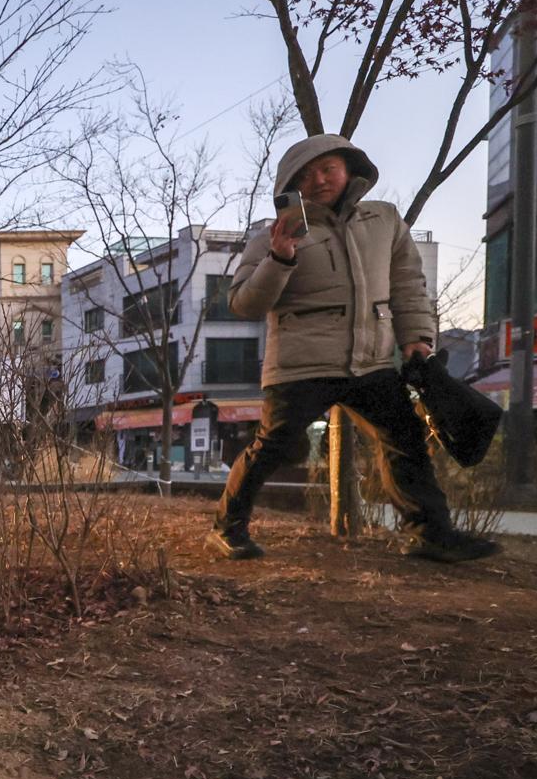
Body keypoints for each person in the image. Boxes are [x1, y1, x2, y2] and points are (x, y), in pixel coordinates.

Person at [210, 134, 498, 564]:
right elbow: (244, 304)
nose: (319, 180)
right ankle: (226, 529)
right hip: (301, 363)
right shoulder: (273, 234)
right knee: (272, 447)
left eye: (329, 169)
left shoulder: (384, 220)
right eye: (306, 175)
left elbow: (407, 285)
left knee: (405, 438)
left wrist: (417, 339)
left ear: (350, 170)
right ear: (290, 185)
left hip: (371, 361)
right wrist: (279, 257)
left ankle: (430, 535)